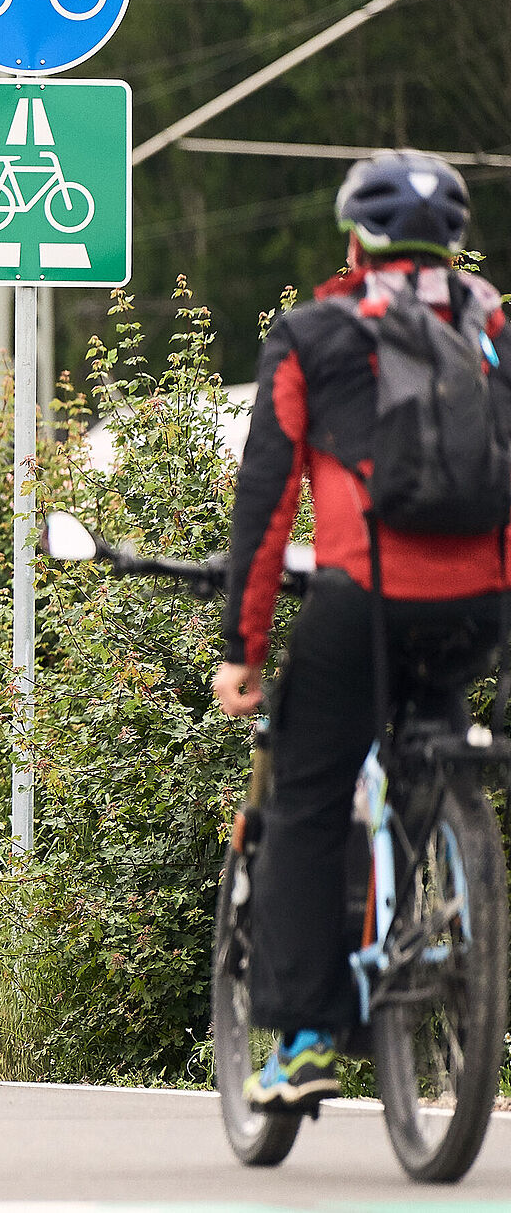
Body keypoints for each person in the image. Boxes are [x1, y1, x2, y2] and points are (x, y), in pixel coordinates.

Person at [215, 151, 509, 1110]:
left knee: (307, 793)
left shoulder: (312, 334)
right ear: (452, 246)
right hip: (479, 607)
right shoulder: (494, 326)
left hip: (364, 603)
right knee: (435, 731)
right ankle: (451, 883)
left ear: (355, 239)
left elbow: (266, 504)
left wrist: (242, 649)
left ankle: (304, 1043)